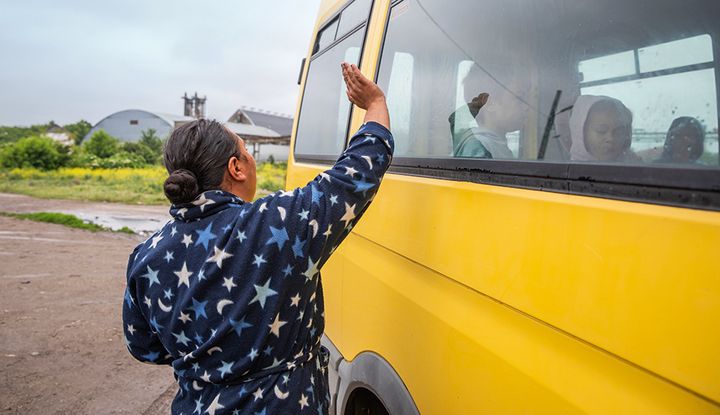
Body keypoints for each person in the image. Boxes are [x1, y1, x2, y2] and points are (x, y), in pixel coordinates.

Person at [122, 63, 393, 414]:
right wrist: (375, 104)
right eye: (247, 154)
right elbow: (356, 173)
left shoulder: (146, 255)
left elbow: (143, 346)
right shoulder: (277, 223)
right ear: (236, 167)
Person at [447, 63, 530, 159]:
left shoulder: (496, 145)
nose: (526, 107)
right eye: (519, 98)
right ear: (490, 104)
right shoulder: (477, 148)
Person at [569, 95, 640, 163]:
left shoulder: (637, 167)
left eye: (618, 132)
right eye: (601, 131)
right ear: (581, 133)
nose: (611, 138)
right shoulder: (568, 173)